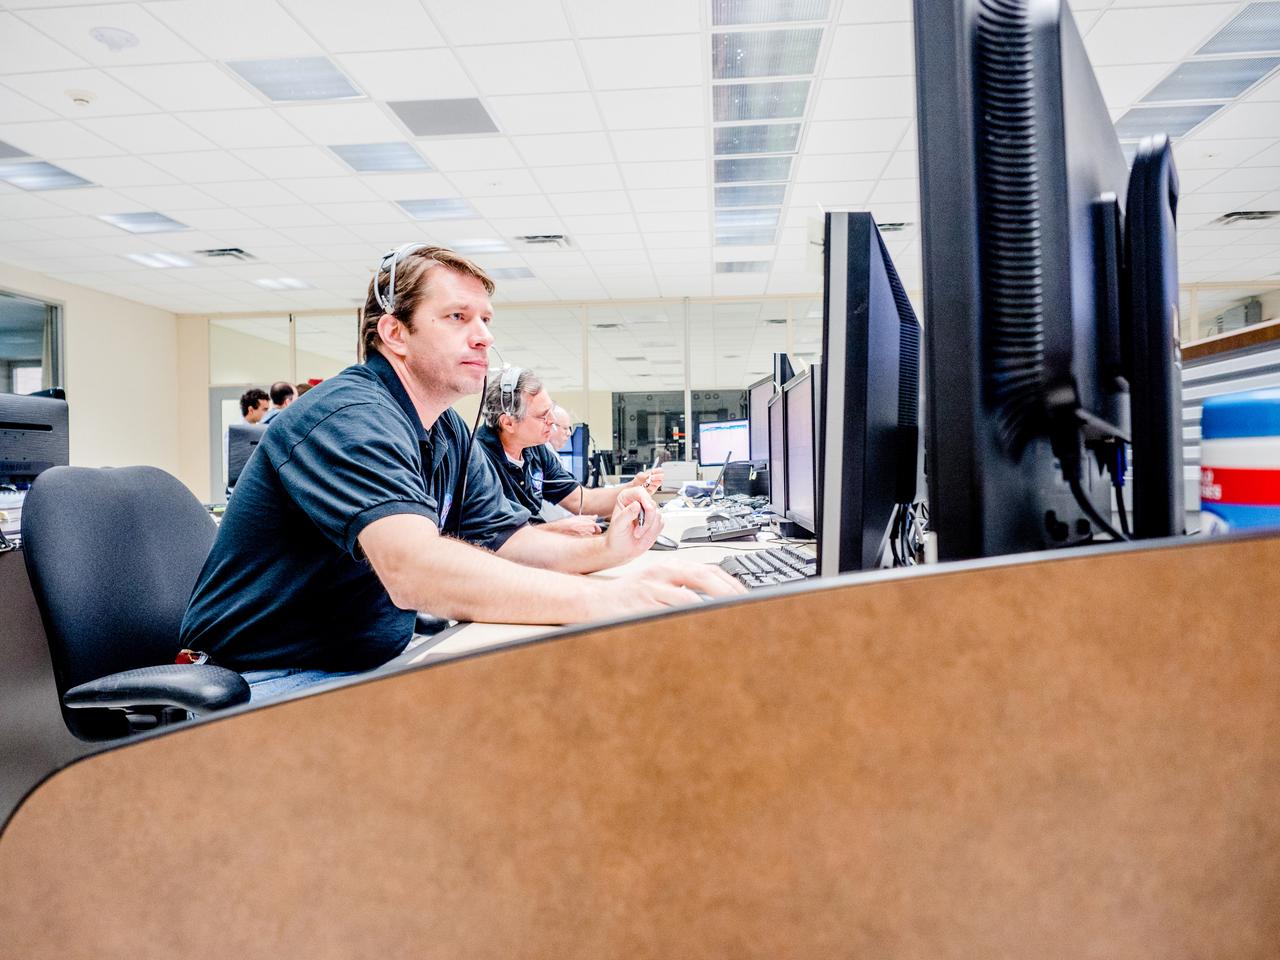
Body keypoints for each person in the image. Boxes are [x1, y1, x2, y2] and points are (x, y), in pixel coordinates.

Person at [180, 244, 742, 700]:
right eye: (456, 317)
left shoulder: (445, 431)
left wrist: (609, 553)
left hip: (359, 665)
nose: (484, 336)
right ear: (394, 333)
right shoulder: (348, 417)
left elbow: (509, 539)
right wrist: (608, 601)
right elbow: (414, 570)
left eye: (485, 319)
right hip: (261, 681)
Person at [475, 369, 665, 537]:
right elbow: (492, 537)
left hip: (536, 549)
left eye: (550, 410)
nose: (552, 421)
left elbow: (581, 500)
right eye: (543, 416)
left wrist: (632, 487)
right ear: (508, 423)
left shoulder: (536, 449)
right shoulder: (477, 459)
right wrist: (557, 529)